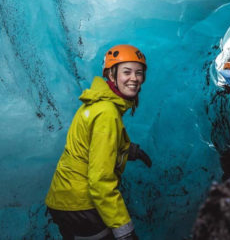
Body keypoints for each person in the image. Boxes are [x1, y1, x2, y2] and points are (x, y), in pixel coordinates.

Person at [45, 44, 152, 240]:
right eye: (126, 72)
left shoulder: (97, 103)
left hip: (62, 199)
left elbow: (92, 148)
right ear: (111, 75)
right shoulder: (107, 113)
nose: (134, 78)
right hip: (81, 205)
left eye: (139, 73)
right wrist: (124, 231)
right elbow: (100, 181)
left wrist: (130, 151)